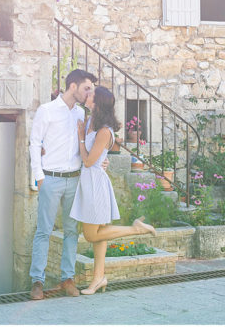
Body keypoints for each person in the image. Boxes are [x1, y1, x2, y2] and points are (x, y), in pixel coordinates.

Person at [70, 86, 157, 295]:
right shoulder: (91, 120)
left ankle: (136, 229)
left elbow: (90, 161)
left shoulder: (104, 130)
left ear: (97, 102)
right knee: (99, 234)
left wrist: (81, 138)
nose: (87, 94)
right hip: (89, 180)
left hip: (95, 183)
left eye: (91, 94)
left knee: (91, 235)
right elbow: (97, 158)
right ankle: (98, 278)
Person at [29, 69, 97, 300]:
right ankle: (36, 281)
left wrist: (101, 159)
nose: (89, 94)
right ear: (73, 86)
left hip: (74, 179)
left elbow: (88, 144)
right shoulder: (46, 111)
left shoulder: (81, 114)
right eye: (87, 88)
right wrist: (38, 176)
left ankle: (67, 278)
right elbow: (34, 143)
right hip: (50, 178)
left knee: (71, 231)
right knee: (43, 231)